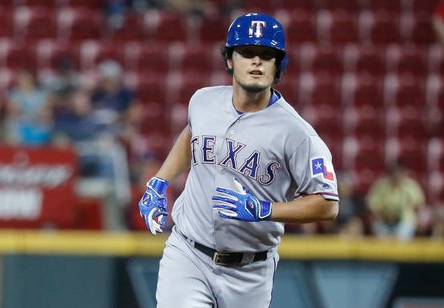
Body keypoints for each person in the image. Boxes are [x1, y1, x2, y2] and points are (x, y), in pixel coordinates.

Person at [137, 12, 339, 308]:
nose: (256, 61)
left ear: (278, 65)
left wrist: (266, 209)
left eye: (266, 55)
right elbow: (192, 135)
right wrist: (159, 181)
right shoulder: (203, 101)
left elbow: (327, 204)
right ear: (229, 60)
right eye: (246, 52)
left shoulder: (297, 134)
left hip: (250, 270)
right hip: (188, 253)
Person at [366, 158, 426, 241]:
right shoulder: (380, 186)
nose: (397, 175)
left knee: (403, 234)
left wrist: (421, 220)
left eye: (400, 172)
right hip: (383, 221)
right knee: (379, 230)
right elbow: (373, 209)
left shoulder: (412, 187)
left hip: (405, 221)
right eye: (395, 172)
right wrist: (385, 217)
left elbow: (419, 207)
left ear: (405, 173)